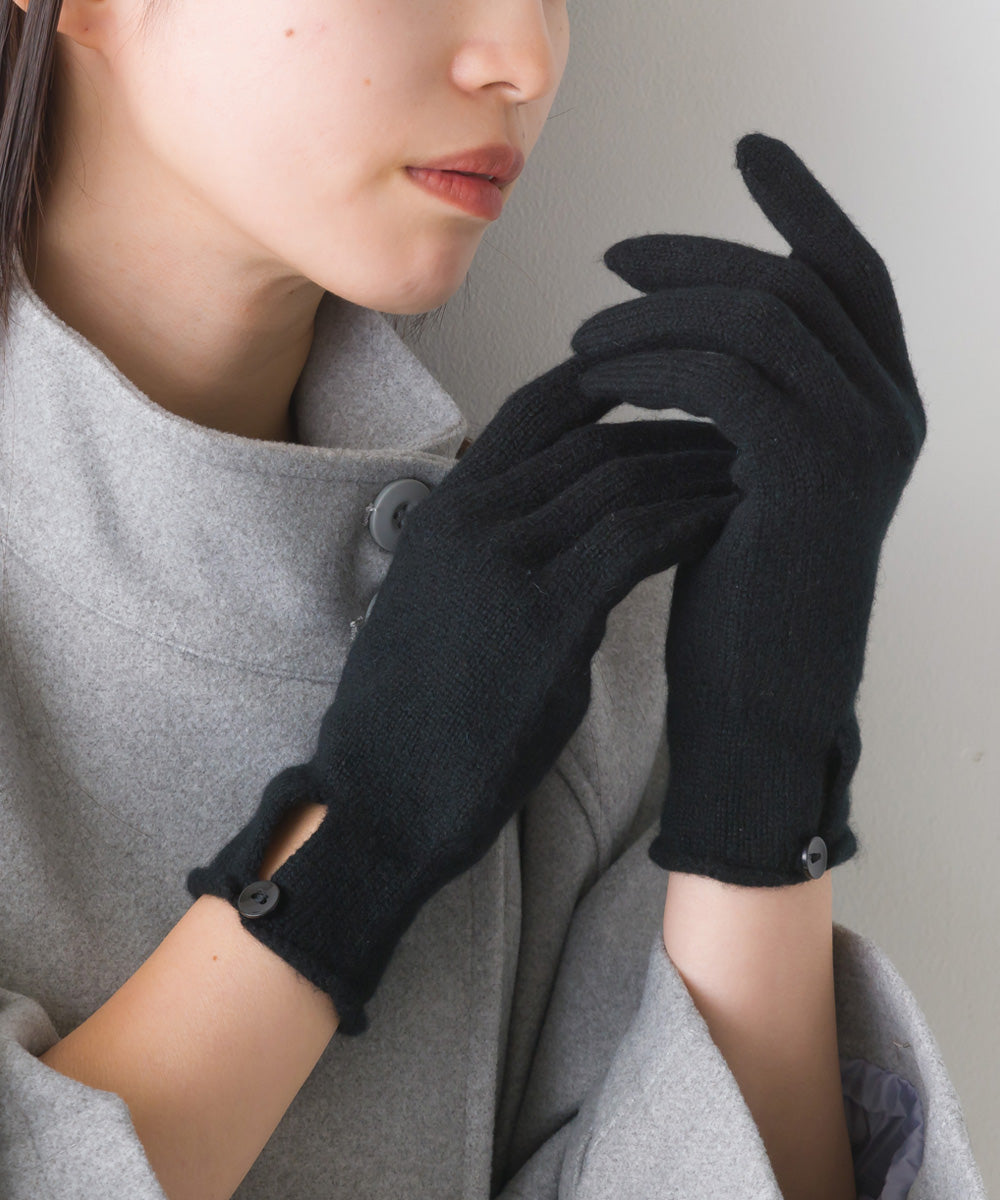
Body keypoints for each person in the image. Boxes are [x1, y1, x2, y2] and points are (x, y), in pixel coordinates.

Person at [0, 1, 987, 1199]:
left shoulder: (556, 623)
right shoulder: (492, 661)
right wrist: (359, 843)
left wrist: (763, 791)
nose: (523, 60)